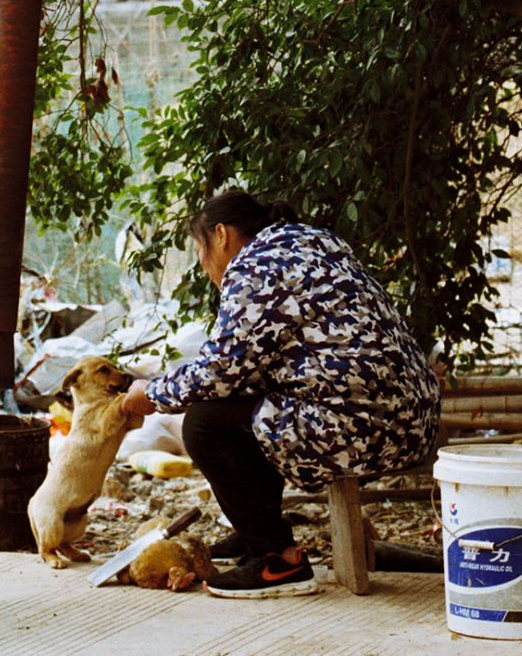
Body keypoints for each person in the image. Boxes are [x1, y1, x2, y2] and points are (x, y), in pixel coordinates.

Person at [121, 190, 441, 599]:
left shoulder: (256, 265)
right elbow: (251, 365)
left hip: (365, 428)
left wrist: (152, 393)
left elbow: (222, 368)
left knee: (204, 422)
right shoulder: (315, 242)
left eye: (200, 251)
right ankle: (256, 532)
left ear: (221, 235)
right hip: (412, 420)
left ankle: (277, 559)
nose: (203, 267)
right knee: (249, 406)